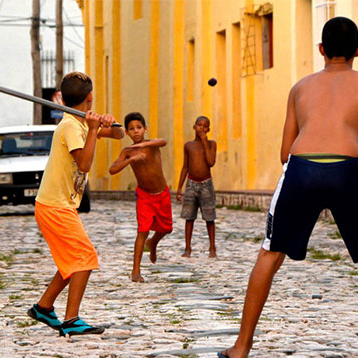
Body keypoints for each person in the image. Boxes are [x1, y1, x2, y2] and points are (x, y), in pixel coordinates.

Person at [219, 17, 358, 358]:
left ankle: (241, 347)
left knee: (270, 253)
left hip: (301, 169)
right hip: (348, 169)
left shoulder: (300, 88)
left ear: (321, 50)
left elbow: (284, 153)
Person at [27, 72, 124, 336]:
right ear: (89, 97)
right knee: (84, 257)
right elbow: (84, 164)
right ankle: (71, 320)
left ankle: (44, 307)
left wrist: (110, 123)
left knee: (71, 260)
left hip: (59, 204)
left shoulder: (80, 122)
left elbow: (120, 135)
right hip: (54, 206)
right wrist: (94, 129)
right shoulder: (71, 126)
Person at [109, 112, 172, 283]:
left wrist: (139, 148)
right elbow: (112, 169)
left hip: (162, 194)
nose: (136, 131)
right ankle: (135, 270)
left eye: (139, 128)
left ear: (145, 128)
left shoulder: (151, 145)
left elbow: (163, 141)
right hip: (144, 196)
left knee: (166, 228)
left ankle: (153, 244)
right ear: (127, 133)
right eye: (131, 129)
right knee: (142, 230)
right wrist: (131, 159)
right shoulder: (127, 151)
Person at [176, 116, 218, 258]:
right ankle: (187, 248)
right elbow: (185, 167)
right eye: (199, 125)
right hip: (191, 184)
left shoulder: (212, 144)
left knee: (209, 217)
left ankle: (212, 248)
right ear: (194, 127)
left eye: (205, 126)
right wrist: (179, 188)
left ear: (208, 129)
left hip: (206, 184)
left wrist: (205, 141)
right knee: (189, 217)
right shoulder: (188, 145)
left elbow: (211, 162)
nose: (202, 128)